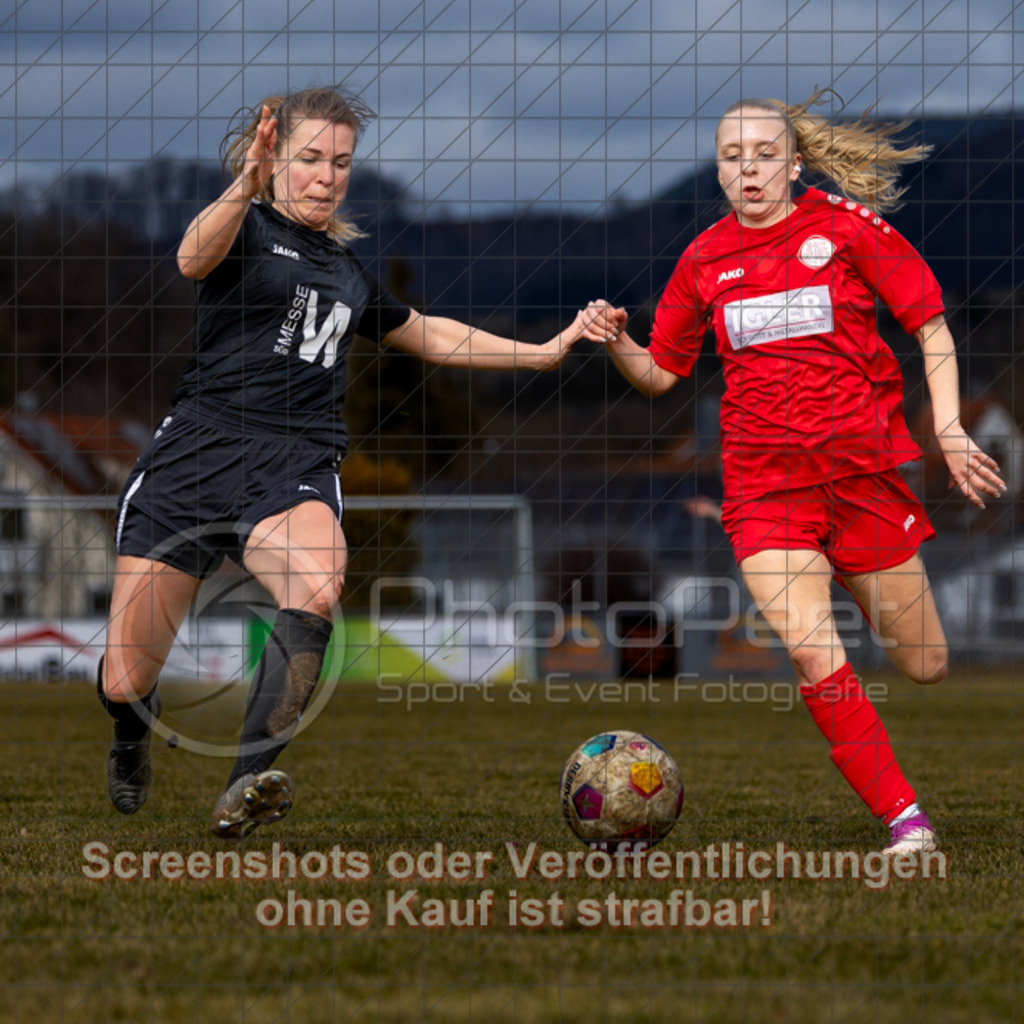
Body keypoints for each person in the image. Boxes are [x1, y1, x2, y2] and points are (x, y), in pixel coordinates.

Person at [98, 85, 594, 840]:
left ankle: (243, 786)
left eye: (340, 162)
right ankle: (131, 728)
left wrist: (544, 352)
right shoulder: (243, 227)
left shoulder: (346, 272)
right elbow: (191, 256)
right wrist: (244, 185)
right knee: (123, 679)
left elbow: (430, 333)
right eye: (310, 159)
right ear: (274, 160)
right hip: (194, 457)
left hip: (291, 463)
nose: (327, 176)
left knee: (318, 585)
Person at [583, 90, 1006, 855]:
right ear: (719, 170)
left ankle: (859, 577)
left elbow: (931, 325)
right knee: (813, 652)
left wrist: (947, 427)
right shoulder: (704, 259)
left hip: (863, 480)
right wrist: (617, 340)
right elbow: (660, 374)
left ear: (795, 162)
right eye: (732, 157)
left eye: (764, 154)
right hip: (766, 491)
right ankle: (905, 821)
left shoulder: (846, 228)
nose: (748, 169)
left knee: (927, 664)